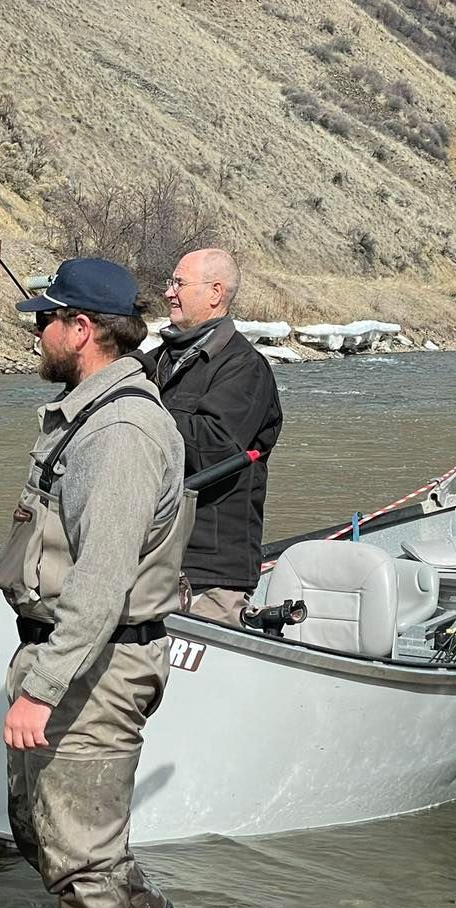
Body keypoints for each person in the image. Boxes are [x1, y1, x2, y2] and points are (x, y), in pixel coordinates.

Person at [0, 257, 226, 908]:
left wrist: (43, 686)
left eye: (46, 320)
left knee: (86, 875)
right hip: (68, 655)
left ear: (82, 329)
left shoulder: (122, 431)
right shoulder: (92, 413)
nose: (37, 332)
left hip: (98, 667)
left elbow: (99, 583)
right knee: (45, 837)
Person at [138, 248, 283, 627]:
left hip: (209, 575)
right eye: (171, 283)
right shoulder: (158, 360)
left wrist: (138, 415)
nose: (169, 292)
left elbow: (214, 448)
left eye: (179, 283)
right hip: (151, 556)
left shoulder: (245, 368)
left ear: (215, 293)